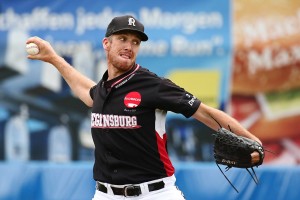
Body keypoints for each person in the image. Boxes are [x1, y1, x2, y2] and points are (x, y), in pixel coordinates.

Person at [26, 15, 262, 200]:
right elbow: (87, 93)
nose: (129, 46)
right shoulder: (103, 89)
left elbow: (205, 112)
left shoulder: (153, 85)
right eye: (123, 39)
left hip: (155, 194)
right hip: (105, 194)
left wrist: (254, 142)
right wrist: (53, 58)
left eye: (135, 42)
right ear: (106, 43)